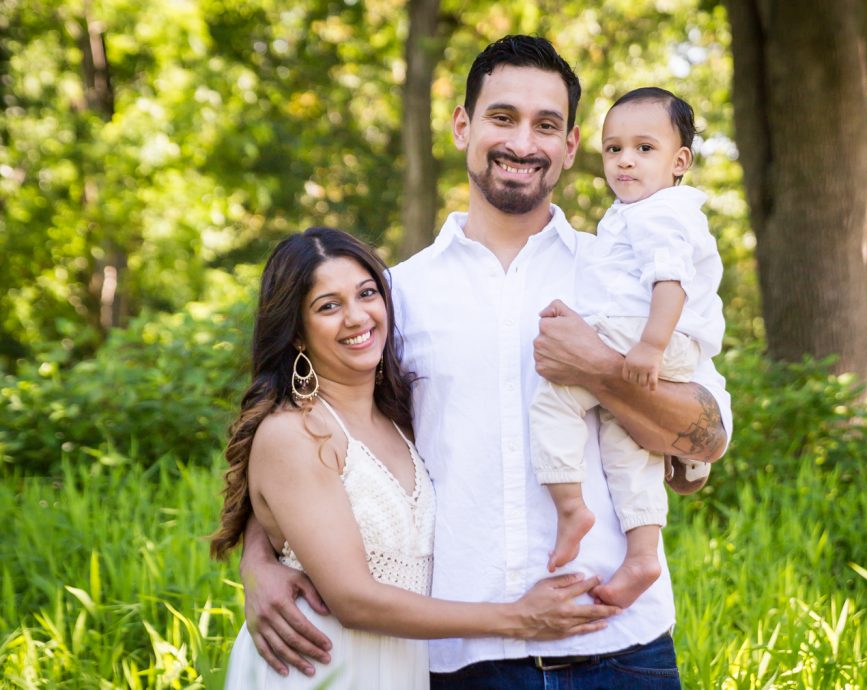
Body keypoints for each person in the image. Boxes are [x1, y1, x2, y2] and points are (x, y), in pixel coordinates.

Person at [241, 35, 732, 688]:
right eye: (503, 117)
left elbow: (706, 435)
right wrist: (259, 555)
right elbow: (320, 437)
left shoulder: (622, 273)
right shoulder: (397, 296)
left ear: (571, 145)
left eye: (546, 125)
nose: (523, 142)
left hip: (625, 648)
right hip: (469, 661)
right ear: (463, 125)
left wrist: (599, 370)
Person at [210, 227, 618, 689]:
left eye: (367, 294)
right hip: (319, 665)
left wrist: (259, 558)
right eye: (329, 306)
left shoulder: (401, 420)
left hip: (402, 668)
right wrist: (519, 619)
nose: (356, 316)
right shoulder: (294, 431)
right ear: (297, 333)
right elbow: (352, 599)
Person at [529, 87, 725, 609]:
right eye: (614, 149)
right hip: (656, 340)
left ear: (680, 160)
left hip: (650, 335)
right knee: (625, 442)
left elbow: (671, 281)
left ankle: (570, 507)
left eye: (644, 148)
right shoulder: (636, 213)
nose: (625, 161)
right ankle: (642, 553)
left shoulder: (659, 212)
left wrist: (648, 348)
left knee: (555, 395)